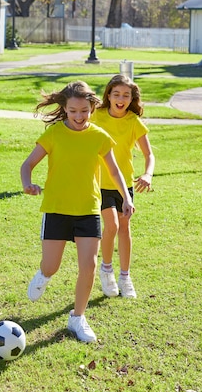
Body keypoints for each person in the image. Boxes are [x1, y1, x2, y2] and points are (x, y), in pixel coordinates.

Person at [20, 81, 134, 343]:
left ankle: (77, 317)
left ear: (92, 108)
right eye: (73, 111)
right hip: (57, 209)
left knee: (89, 265)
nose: (79, 117)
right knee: (52, 265)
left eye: (84, 111)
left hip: (88, 210)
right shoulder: (54, 135)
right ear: (65, 109)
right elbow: (27, 164)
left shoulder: (100, 137)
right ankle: (44, 275)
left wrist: (126, 197)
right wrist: (27, 183)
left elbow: (115, 171)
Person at [92, 74, 155, 299]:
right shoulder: (95, 115)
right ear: (108, 95)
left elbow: (149, 154)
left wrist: (147, 174)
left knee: (124, 228)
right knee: (112, 226)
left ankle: (125, 277)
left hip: (124, 184)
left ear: (131, 98)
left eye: (126, 95)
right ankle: (106, 270)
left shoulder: (133, 122)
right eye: (116, 94)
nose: (121, 99)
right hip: (99, 182)